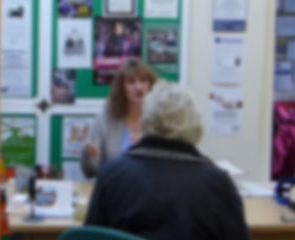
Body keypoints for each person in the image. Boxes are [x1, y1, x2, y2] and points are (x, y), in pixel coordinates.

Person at [85, 83, 250, 240]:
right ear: (195, 123)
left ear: (145, 120)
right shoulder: (218, 184)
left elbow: (91, 236)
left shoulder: (112, 175)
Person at [81, 61, 158, 178]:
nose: (138, 87)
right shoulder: (105, 119)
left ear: (150, 86)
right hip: (114, 189)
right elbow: (90, 171)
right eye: (131, 82)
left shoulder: (159, 119)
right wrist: (90, 156)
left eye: (143, 81)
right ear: (122, 89)